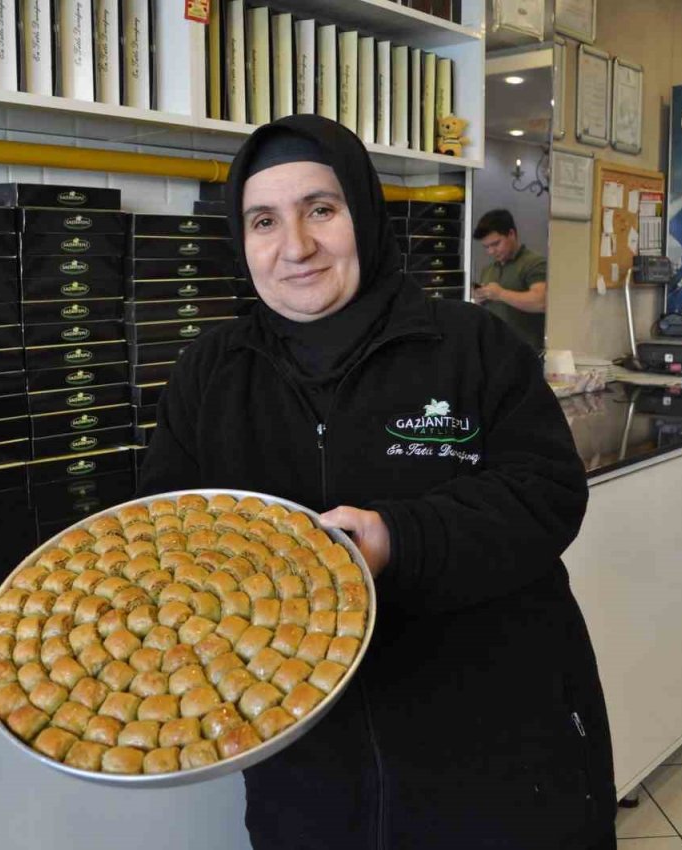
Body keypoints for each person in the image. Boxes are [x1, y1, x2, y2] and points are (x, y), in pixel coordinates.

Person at [138, 114, 616, 850]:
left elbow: (547, 492)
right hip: (311, 780)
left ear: (361, 213)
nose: (295, 247)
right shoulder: (211, 372)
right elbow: (166, 531)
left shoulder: (467, 345)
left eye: (320, 210)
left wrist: (401, 538)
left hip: (497, 757)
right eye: (264, 220)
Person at [472, 208, 548, 351]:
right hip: (494, 351)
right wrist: (479, 298)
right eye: (486, 247)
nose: (491, 251)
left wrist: (500, 294)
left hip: (524, 353)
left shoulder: (534, 263)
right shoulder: (488, 270)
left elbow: (541, 302)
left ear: (511, 234)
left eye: (495, 244)